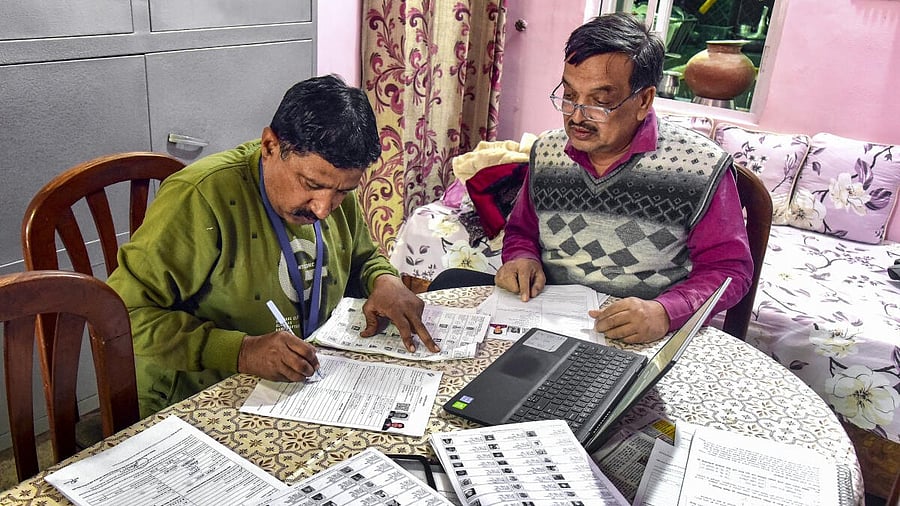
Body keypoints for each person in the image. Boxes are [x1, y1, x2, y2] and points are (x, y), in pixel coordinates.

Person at [108, 75, 439, 417]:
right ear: (269, 146)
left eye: (343, 192)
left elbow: (362, 257)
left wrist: (385, 281)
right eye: (311, 184)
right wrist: (241, 351)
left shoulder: (330, 189)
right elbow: (123, 315)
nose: (323, 208)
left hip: (301, 383)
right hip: (203, 396)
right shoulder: (201, 197)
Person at [494, 13, 753, 344]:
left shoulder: (700, 166)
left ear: (644, 100)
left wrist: (664, 312)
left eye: (600, 103)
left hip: (641, 337)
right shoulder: (547, 151)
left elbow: (730, 271)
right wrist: (521, 257)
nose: (576, 116)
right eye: (569, 95)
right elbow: (521, 232)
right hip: (546, 323)